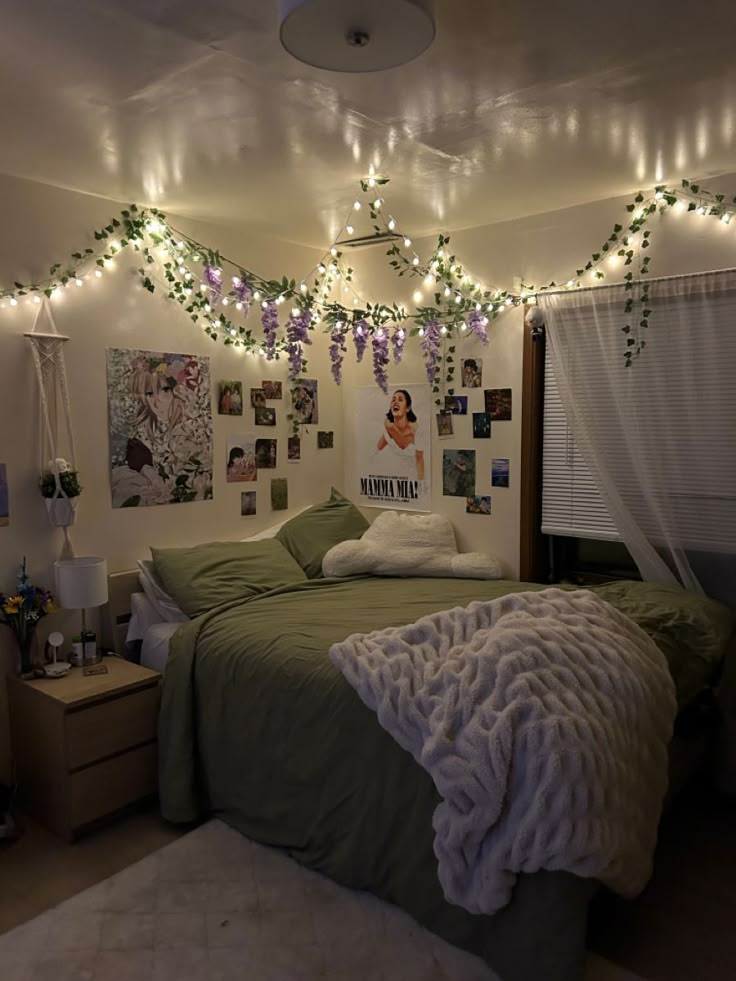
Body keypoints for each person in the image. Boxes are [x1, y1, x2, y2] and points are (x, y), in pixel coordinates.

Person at [376, 389, 425, 481]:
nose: (395, 402)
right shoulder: (387, 425)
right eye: (393, 399)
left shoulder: (415, 430)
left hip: (411, 477)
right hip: (390, 474)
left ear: (407, 408)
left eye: (400, 399)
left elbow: (419, 460)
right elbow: (378, 448)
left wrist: (420, 484)